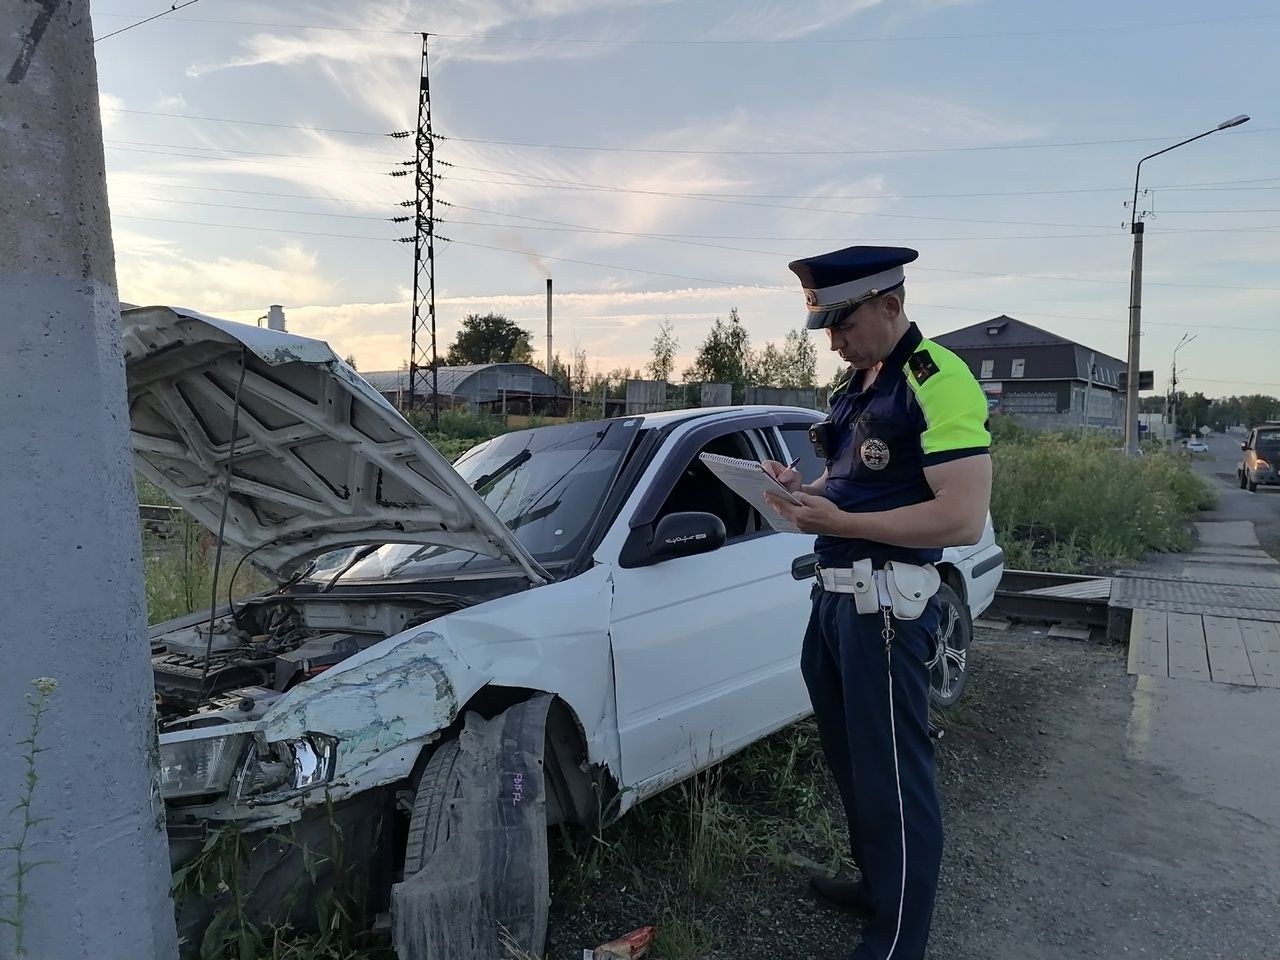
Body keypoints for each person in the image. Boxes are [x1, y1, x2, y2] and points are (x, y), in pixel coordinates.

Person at [762, 245, 992, 960]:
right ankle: (878, 886)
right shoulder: (862, 382)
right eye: (824, 326)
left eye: (843, 322)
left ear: (890, 304)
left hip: (889, 608)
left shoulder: (936, 379)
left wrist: (846, 523)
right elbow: (852, 482)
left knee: (895, 779)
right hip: (835, 604)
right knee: (854, 763)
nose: (832, 340)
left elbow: (962, 519)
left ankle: (896, 942)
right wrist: (804, 492)